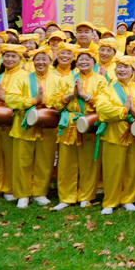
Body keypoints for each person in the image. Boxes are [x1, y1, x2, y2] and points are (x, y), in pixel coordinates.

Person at [2, 47, 65, 208]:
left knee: (44, 161)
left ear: (51, 61)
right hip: (24, 127)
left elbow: (61, 100)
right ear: (32, 62)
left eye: (44, 59)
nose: (41, 62)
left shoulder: (58, 79)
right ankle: (22, 194)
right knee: (22, 161)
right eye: (37, 59)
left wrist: (46, 102)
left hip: (47, 127)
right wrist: (32, 101)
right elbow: (11, 99)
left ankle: (39, 192)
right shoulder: (23, 79)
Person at [93, 59, 135, 214]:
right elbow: (102, 107)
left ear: (133, 71)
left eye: (126, 68)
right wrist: (124, 111)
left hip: (134, 132)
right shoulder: (107, 88)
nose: (122, 70)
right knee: (112, 168)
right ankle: (110, 200)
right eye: (119, 68)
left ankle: (128, 198)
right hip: (113, 132)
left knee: (133, 166)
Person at [54, 47, 105, 210]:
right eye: (81, 59)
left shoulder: (101, 80)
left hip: (89, 123)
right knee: (66, 161)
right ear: (76, 61)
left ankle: (86, 196)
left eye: (88, 59)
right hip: (69, 122)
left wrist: (85, 95)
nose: (84, 62)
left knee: (89, 162)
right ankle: (66, 197)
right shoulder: (66, 79)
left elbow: (104, 103)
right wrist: (71, 95)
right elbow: (55, 102)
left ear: (94, 62)